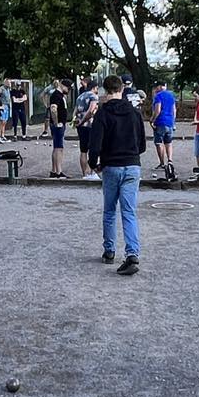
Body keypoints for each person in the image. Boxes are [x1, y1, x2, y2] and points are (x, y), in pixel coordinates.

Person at [88, 74, 146, 275]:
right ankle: (132, 254)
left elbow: (94, 144)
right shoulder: (134, 112)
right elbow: (142, 145)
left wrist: (94, 164)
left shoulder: (103, 113)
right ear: (122, 89)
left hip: (111, 166)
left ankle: (109, 251)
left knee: (110, 211)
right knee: (129, 212)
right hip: (132, 165)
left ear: (105, 91)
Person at [74, 80, 101, 179]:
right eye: (97, 88)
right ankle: (92, 172)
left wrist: (76, 121)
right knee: (93, 148)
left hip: (80, 126)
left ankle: (84, 174)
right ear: (94, 87)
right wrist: (83, 120)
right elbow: (91, 110)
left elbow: (75, 110)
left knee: (83, 149)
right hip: (90, 124)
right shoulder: (93, 96)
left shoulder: (80, 96)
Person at [151, 82, 177, 176]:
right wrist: (173, 121)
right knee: (168, 143)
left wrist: (152, 120)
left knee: (159, 143)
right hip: (169, 122)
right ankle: (170, 161)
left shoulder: (158, 96)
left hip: (160, 122)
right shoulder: (171, 95)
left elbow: (157, 110)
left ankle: (162, 163)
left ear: (158, 87)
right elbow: (174, 110)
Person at [47, 80, 68, 177]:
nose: (68, 90)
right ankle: (59, 171)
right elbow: (53, 109)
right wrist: (56, 123)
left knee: (56, 147)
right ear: (63, 86)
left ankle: (54, 170)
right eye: (68, 88)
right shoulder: (56, 95)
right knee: (59, 148)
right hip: (58, 125)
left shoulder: (59, 95)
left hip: (58, 124)